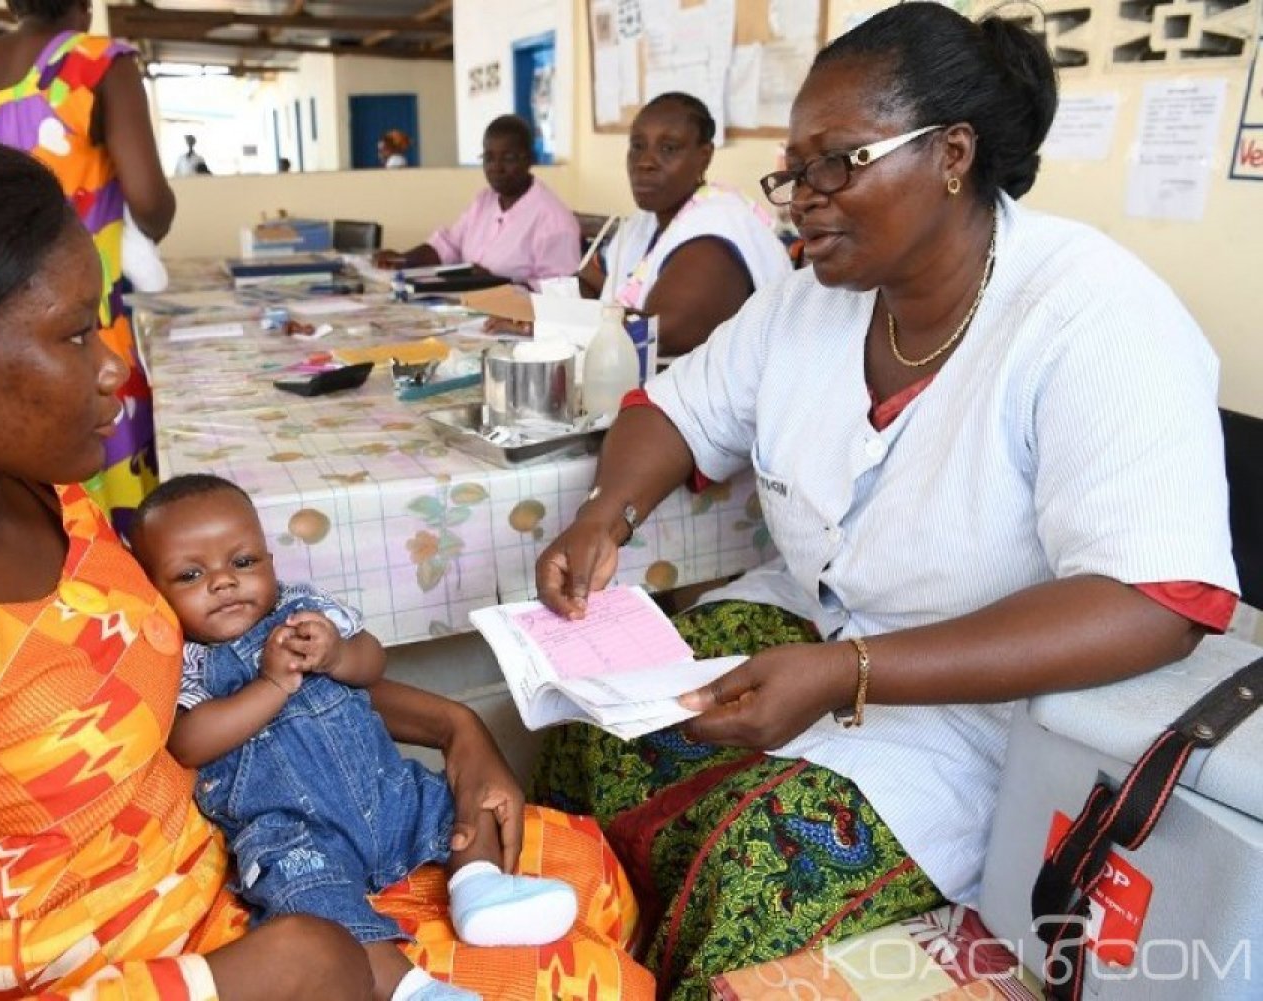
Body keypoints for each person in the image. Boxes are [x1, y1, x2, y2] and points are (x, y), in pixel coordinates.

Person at [0, 126, 652, 1000]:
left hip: (254, 857)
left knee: (595, 878)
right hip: (200, 954)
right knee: (599, 978)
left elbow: (246, 669)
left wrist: (458, 726)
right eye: (75, 335)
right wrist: (257, 976)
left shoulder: (50, 503)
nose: (115, 368)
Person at [530, 7, 1237, 1000]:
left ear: (952, 153)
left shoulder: (1097, 317)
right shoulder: (810, 295)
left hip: (983, 710)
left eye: (838, 163)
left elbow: (1156, 602)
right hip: (815, 623)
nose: (803, 202)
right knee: (591, 728)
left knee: (754, 861)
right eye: (793, 171)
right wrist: (606, 511)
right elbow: (676, 410)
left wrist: (850, 669)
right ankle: (561, 962)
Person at [129, 475, 580, 1001]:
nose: (224, 582)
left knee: (464, 802)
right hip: (294, 833)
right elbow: (188, 742)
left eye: (244, 562)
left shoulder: (303, 609)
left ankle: (478, 888)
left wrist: (339, 654)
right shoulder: (185, 659)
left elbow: (372, 663)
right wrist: (273, 685)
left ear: (271, 561)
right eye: (190, 574)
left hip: (383, 789)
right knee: (313, 903)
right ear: (154, 593)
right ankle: (412, 990)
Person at [0, 0, 175, 535]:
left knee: (20, 485)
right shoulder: (98, 62)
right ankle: (116, 595)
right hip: (84, 321)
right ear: (86, 7)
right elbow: (150, 200)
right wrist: (146, 228)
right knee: (110, 475)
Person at [578, 92, 791, 355]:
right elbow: (591, 280)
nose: (645, 162)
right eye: (637, 146)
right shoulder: (645, 222)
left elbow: (654, 335)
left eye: (668, 148)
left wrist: (560, 320)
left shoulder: (717, 230)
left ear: (704, 156)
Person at [374, 115, 580, 289]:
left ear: (530, 159)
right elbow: (449, 245)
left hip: (517, 325)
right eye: (489, 158)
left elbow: (559, 293)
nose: (496, 168)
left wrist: (494, 284)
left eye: (508, 158)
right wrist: (402, 259)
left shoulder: (553, 220)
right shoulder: (485, 201)